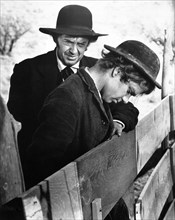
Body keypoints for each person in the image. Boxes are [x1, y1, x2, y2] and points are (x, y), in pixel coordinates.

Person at [7, 5, 139, 170]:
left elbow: (128, 109)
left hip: (86, 164)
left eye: (81, 44)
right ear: (56, 39)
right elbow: (17, 114)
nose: (73, 50)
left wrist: (118, 122)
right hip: (41, 164)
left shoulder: (97, 70)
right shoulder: (27, 70)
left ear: (88, 44)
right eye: (68, 41)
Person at [25, 40, 161, 191]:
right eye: (129, 91)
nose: (125, 99)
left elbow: (128, 111)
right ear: (117, 72)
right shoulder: (67, 98)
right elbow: (42, 169)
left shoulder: (99, 92)